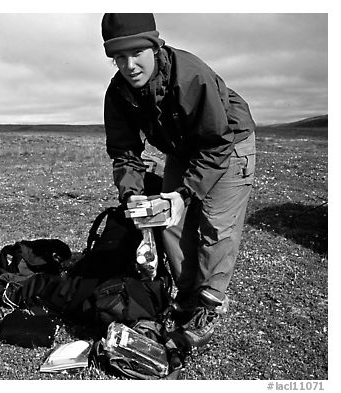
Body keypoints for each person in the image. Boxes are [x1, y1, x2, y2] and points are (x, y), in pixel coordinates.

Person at [101, 13, 256, 349]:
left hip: (228, 144)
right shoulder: (117, 93)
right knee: (169, 223)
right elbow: (125, 152)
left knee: (216, 229)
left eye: (136, 54)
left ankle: (209, 305)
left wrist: (183, 193)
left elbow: (216, 142)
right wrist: (132, 195)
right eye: (118, 57)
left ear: (155, 47)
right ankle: (187, 298)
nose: (129, 65)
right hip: (182, 148)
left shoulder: (191, 76)